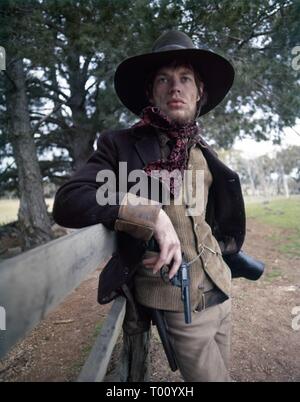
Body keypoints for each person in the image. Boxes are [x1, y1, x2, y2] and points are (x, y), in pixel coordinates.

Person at [53, 30, 246, 382]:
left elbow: (210, 217)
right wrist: (148, 213)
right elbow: (70, 200)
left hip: (222, 290)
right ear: (150, 92)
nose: (176, 87)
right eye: (164, 79)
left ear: (199, 91)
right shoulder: (121, 145)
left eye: (185, 79)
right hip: (179, 302)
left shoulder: (203, 152)